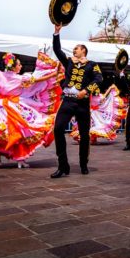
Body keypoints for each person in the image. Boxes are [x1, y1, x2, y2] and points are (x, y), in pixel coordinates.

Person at [0, 51, 61, 168]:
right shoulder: (19, 78)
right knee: (21, 132)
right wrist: (53, 75)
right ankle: (20, 159)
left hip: (0, 107)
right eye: (19, 64)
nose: (21, 66)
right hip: (15, 106)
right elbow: (38, 80)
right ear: (14, 66)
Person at [50, 24, 103, 177]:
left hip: (82, 103)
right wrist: (57, 32)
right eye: (74, 49)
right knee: (58, 129)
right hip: (67, 101)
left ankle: (83, 164)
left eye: (77, 48)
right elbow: (57, 50)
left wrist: (86, 90)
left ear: (84, 50)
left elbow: (99, 79)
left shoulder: (92, 65)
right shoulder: (69, 62)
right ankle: (63, 166)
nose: (74, 50)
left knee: (84, 134)